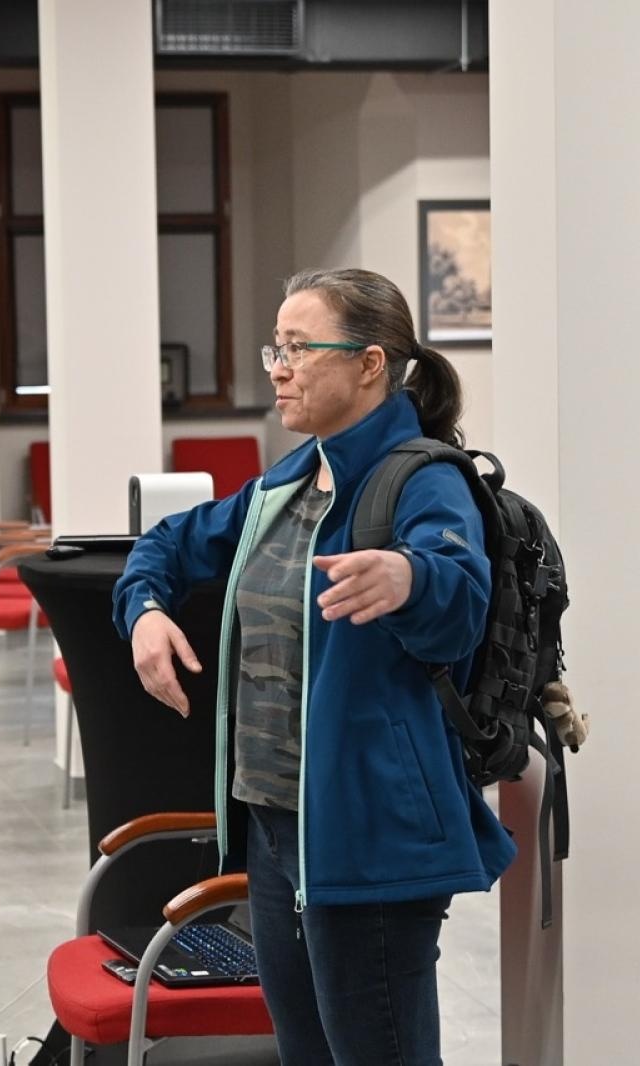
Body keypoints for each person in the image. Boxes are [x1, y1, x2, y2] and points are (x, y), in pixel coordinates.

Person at [114, 268, 514, 1065]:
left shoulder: (421, 478)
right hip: (274, 821)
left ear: (371, 364)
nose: (279, 368)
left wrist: (409, 579)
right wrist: (145, 614)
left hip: (368, 835)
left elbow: (458, 600)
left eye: (300, 348)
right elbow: (166, 544)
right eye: (276, 347)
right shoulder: (291, 479)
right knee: (304, 1050)